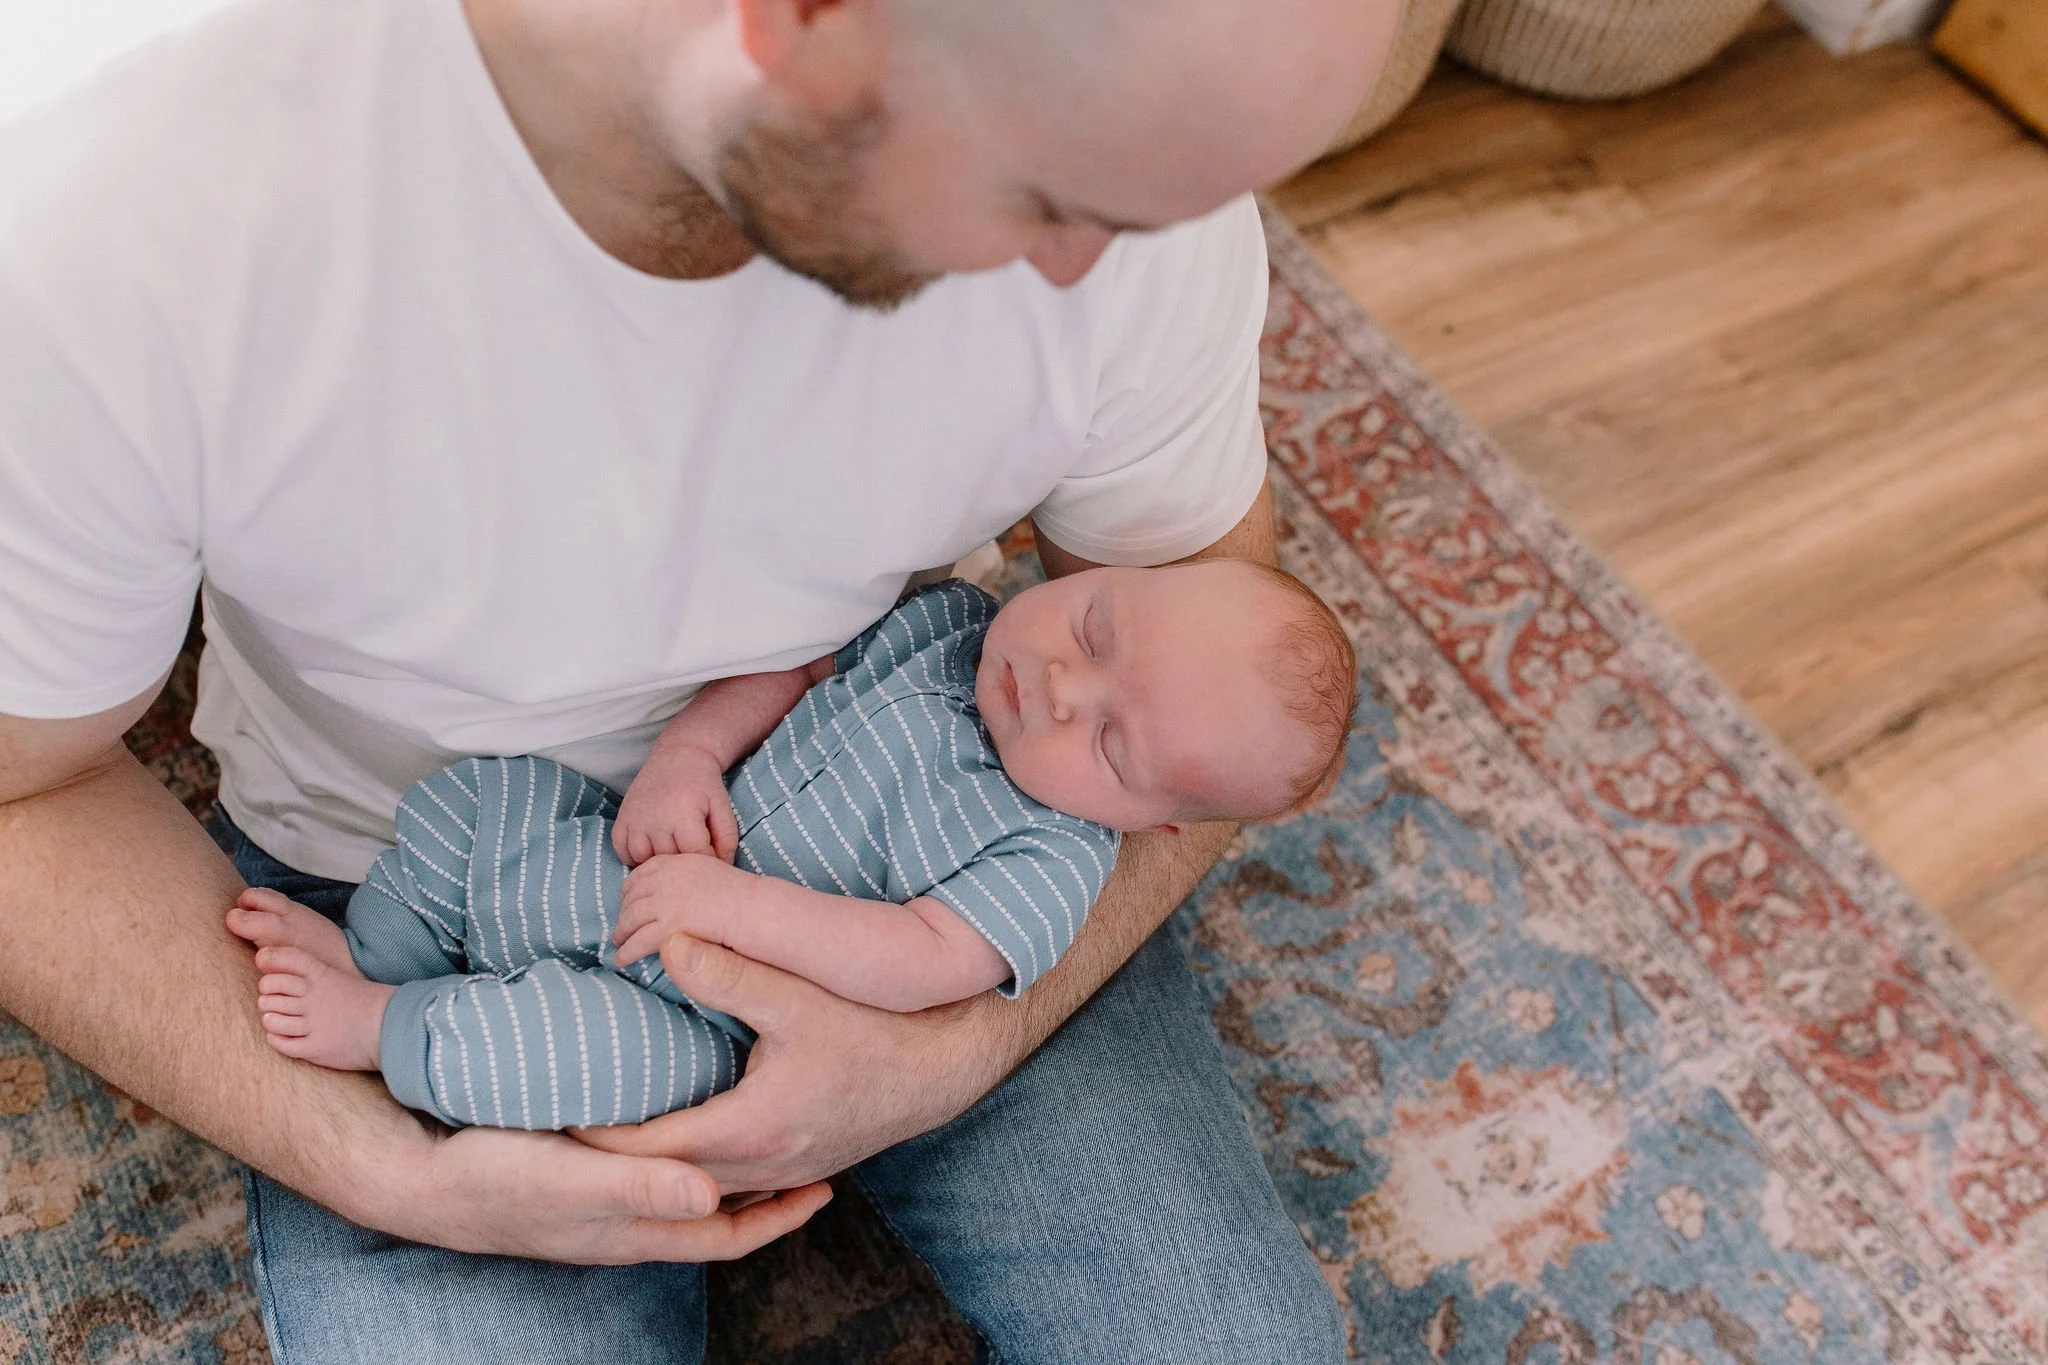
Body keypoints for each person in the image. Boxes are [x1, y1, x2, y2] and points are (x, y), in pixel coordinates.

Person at [0, 0, 1397, 1358]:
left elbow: (1205, 710)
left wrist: (963, 1039)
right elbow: (19, 794)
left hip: (920, 874)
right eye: (1051, 192)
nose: (1100, 270)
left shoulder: (1140, 153)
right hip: (422, 882)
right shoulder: (114, 203)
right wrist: (379, 1162)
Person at [227, 564, 1359, 1130]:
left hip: (700, 1008)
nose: (1061, 686)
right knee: (481, 800)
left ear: (1149, 824)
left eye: (1110, 744)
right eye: (1095, 628)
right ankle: (380, 952)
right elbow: (796, 667)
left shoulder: (1052, 858)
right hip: (620, 854)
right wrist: (687, 757)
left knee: (571, 1051)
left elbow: (922, 958)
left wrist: (727, 911)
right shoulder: (951, 625)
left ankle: (385, 1030)